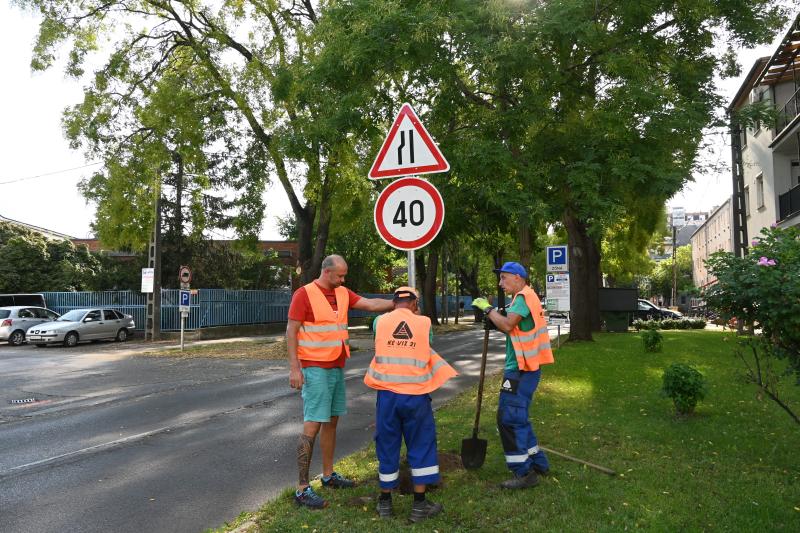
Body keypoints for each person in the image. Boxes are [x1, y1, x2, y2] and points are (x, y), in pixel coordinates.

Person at [287, 254, 395, 509]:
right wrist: (295, 368)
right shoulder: (304, 294)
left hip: (336, 365)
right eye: (341, 275)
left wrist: (397, 303)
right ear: (327, 272)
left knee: (332, 422)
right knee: (313, 424)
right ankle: (302, 489)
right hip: (314, 368)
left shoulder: (343, 293)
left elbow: (369, 304)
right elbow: (291, 330)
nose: (344, 279)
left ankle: (328, 475)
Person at [364, 286, 457, 522]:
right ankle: (419, 506)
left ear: (394, 302)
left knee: (387, 444)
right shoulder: (424, 324)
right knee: (421, 444)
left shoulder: (379, 323)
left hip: (387, 397)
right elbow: (427, 344)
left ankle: (385, 503)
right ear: (415, 304)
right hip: (416, 396)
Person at [471, 261, 554, 489]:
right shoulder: (526, 297)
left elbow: (508, 325)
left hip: (520, 369)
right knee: (519, 417)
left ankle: (523, 472)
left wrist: (488, 310)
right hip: (526, 367)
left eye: (503, 278)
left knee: (508, 418)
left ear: (517, 277)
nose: (500, 283)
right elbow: (511, 325)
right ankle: (539, 463)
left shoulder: (523, 298)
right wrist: (493, 318)